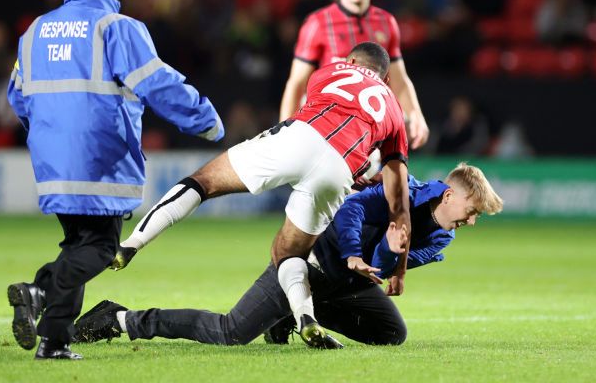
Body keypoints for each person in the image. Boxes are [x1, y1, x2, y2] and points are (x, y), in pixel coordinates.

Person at [111, 41, 412, 349]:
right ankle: (306, 319)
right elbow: (399, 203)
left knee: (203, 183)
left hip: (300, 136)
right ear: (386, 80)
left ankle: (130, 245)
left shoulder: (331, 70)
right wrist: (399, 269)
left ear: (350, 60)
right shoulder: (394, 111)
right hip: (337, 172)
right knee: (288, 255)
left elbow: (317, 112)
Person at [5, 0, 224, 361]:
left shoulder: (35, 31)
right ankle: (38, 290)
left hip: (53, 160)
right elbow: (157, 83)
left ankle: (54, 340)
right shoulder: (116, 26)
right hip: (101, 156)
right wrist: (206, 120)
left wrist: (49, 134)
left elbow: (17, 97)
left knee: (78, 245)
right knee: (103, 249)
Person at [73, 163, 502, 348]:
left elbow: (382, 268)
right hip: (308, 262)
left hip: (347, 285)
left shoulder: (442, 238)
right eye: (473, 211)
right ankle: (120, 318)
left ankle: (291, 319)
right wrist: (355, 253)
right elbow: (349, 208)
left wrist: (386, 255)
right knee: (230, 331)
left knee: (393, 333)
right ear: (449, 196)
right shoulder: (400, 194)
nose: (472, 221)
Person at [279, 0, 430, 149]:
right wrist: (285, 130)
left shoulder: (387, 22)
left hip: (370, 121)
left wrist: (416, 114)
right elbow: (296, 83)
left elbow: (399, 79)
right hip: (328, 122)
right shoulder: (318, 23)